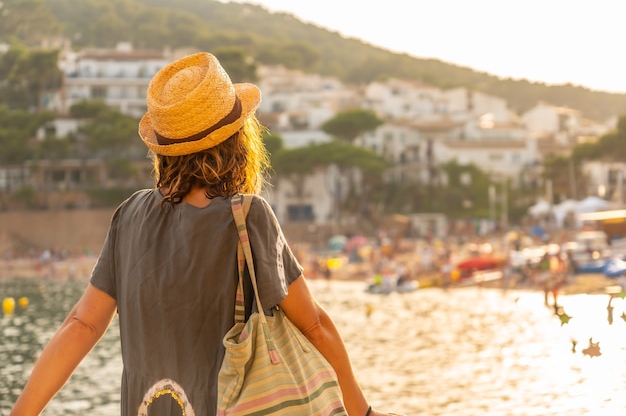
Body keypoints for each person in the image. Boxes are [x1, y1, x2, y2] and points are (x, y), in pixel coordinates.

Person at [10, 53, 403, 416]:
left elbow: (81, 325)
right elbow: (314, 324)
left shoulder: (128, 216)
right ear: (238, 141)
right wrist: (363, 412)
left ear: (163, 150)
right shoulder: (247, 218)